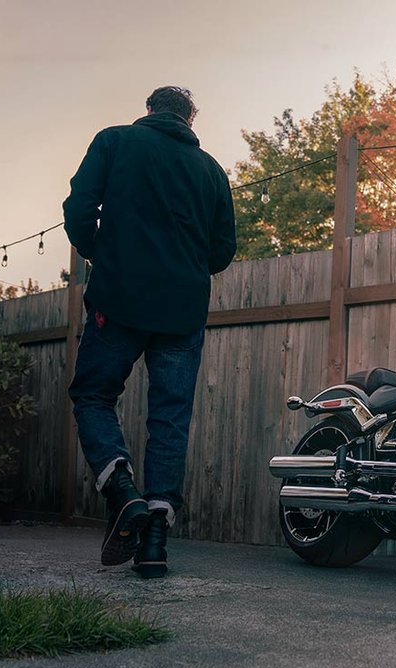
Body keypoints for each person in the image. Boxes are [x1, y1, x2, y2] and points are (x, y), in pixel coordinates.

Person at [62, 86, 236, 578]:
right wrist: (184, 266)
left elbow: (78, 209)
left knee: (93, 396)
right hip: (182, 312)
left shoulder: (113, 141)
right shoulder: (212, 172)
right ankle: (155, 543)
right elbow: (223, 250)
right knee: (170, 418)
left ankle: (122, 491)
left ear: (150, 111)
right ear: (190, 119)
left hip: (118, 300)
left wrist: (102, 252)